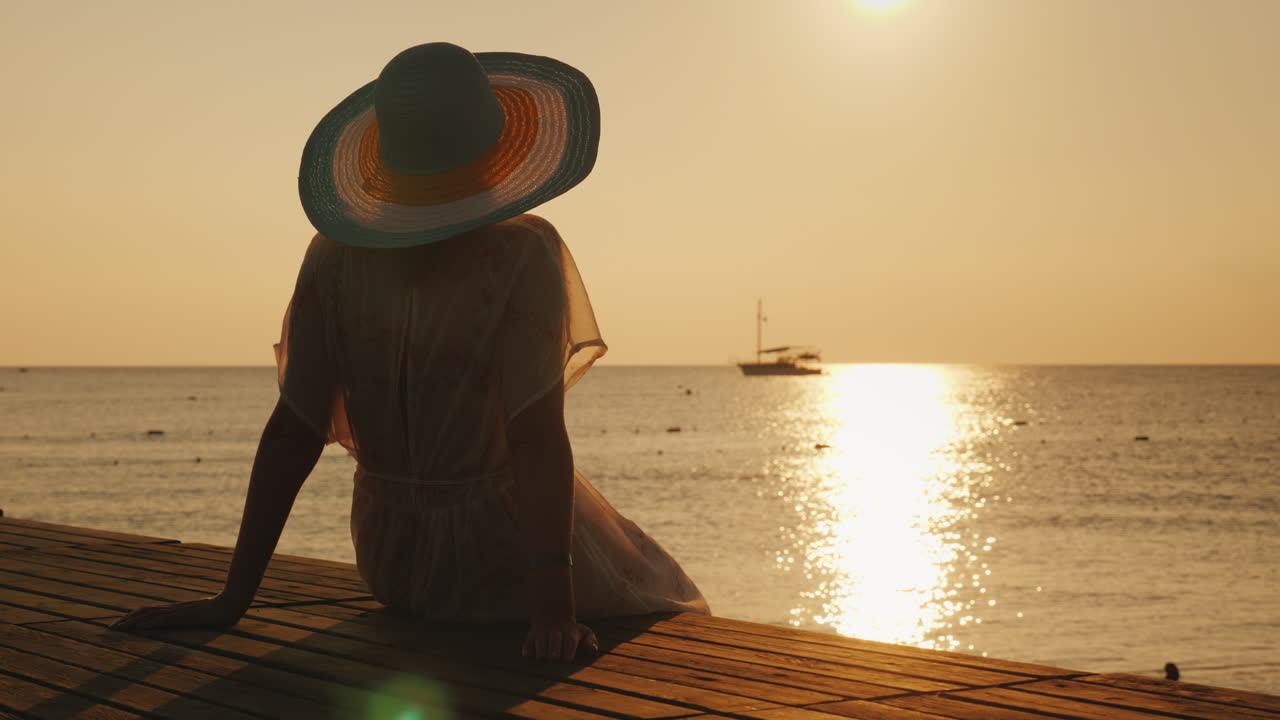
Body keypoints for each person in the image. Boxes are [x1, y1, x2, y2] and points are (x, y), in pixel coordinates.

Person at [110, 43, 709, 661]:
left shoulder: (334, 254)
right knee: (666, 593)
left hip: (392, 558)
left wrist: (232, 598)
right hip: (501, 563)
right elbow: (532, 433)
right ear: (493, 151)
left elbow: (294, 429)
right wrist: (554, 611)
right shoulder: (524, 251)